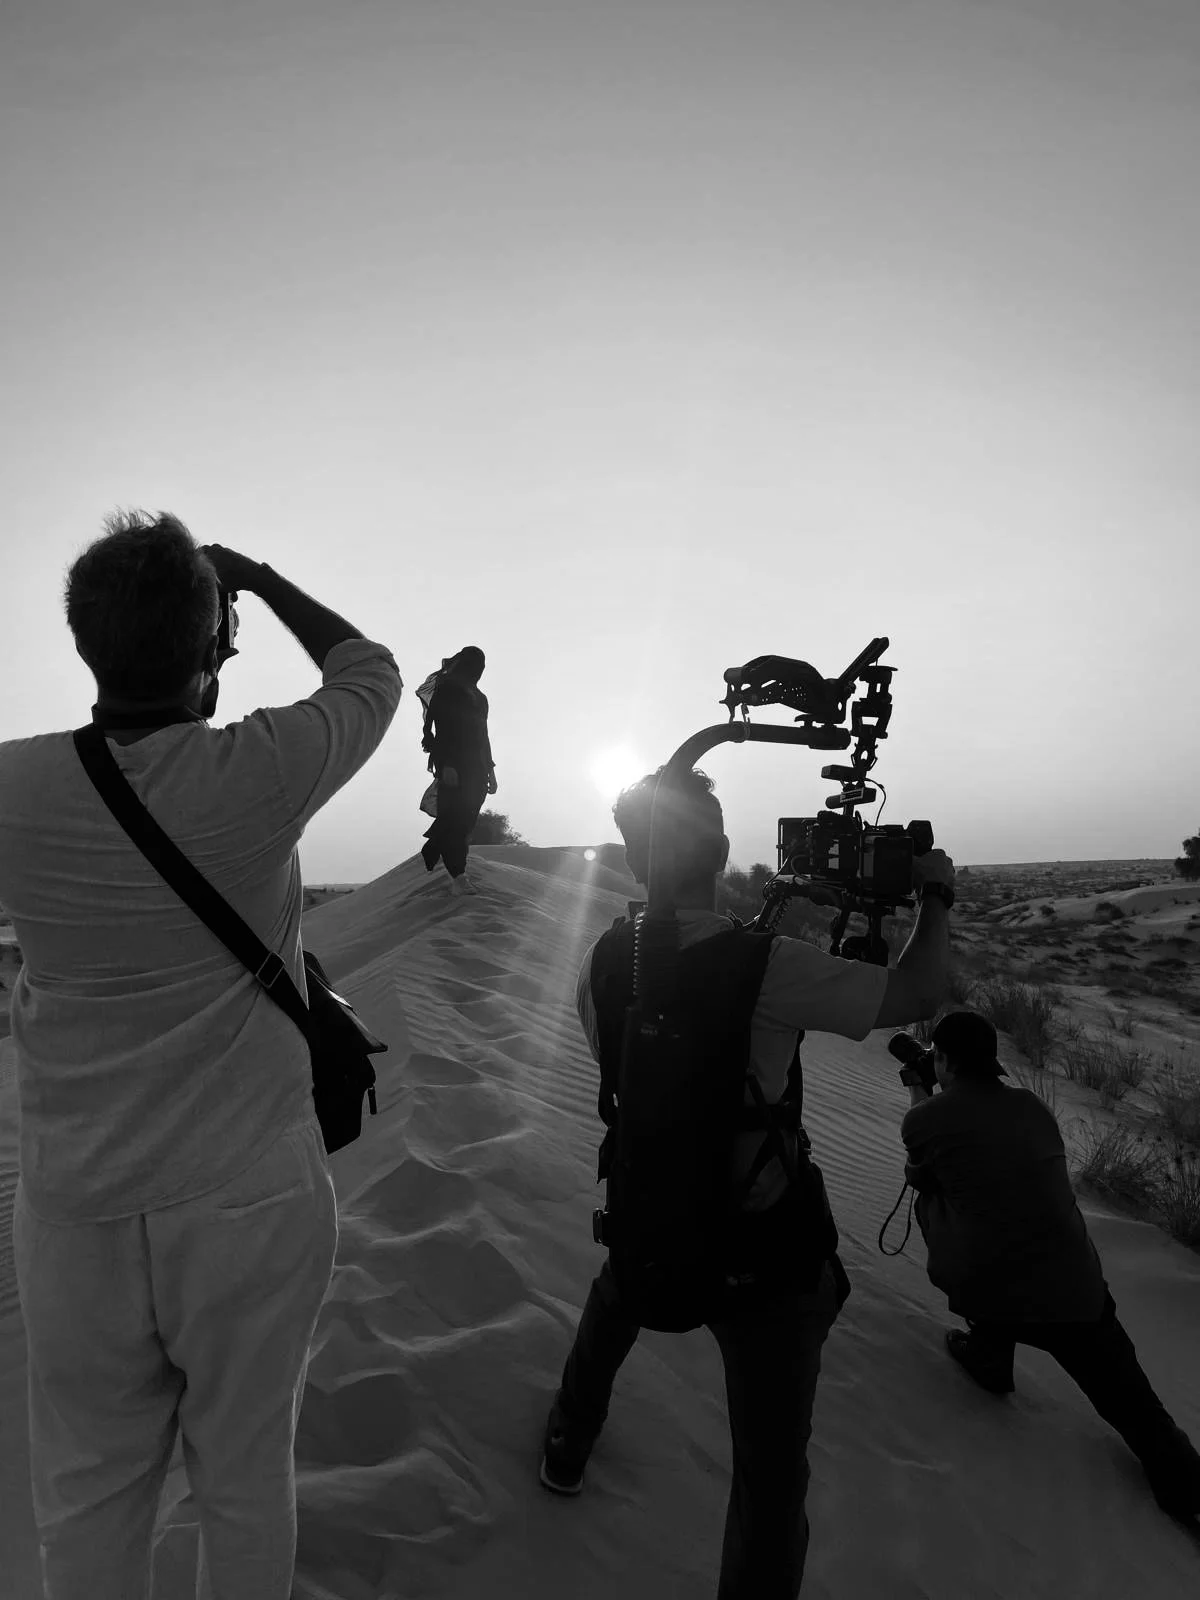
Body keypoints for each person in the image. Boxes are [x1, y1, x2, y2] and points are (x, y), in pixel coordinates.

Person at [0, 511, 402, 1600]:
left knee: (84, 1500)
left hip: (77, 1210)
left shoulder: (16, 789)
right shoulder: (259, 771)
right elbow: (370, 669)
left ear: (83, 641)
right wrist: (256, 579)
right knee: (243, 1482)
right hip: (247, 1202)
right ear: (210, 652)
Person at [540, 767, 956, 1599]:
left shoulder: (601, 960)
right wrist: (935, 898)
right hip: (763, 1254)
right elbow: (920, 991)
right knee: (770, 1480)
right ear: (724, 853)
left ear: (631, 860)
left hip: (650, 1212)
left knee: (611, 1313)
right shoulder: (767, 966)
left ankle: (565, 1446)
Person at [900, 1009, 1200, 1521]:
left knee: (937, 1205)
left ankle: (990, 1349)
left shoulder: (926, 1117)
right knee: (1136, 1407)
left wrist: (918, 1089)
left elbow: (919, 1170)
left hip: (992, 1287)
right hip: (1076, 1290)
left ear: (944, 1060)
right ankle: (1187, 1487)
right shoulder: (1033, 1108)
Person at [416, 646, 496, 896]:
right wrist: (446, 764)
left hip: (478, 765)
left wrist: (491, 770)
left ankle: (438, 847)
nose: (480, 669)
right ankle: (458, 875)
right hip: (454, 761)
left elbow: (484, 735)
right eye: (476, 664)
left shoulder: (480, 697)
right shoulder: (449, 686)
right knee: (456, 817)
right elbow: (443, 726)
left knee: (467, 817)